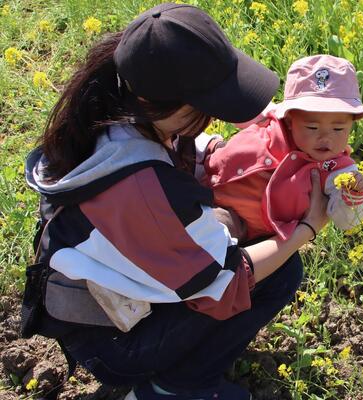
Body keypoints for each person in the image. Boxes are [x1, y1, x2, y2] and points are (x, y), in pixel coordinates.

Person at [21, 3, 329, 400]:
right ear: (167, 105)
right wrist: (307, 229)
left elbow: (184, 150)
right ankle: (174, 388)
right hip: (114, 344)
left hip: (104, 300)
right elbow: (231, 280)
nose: (217, 116)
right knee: (282, 271)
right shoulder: (146, 192)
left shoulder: (115, 106)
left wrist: (230, 151)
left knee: (248, 243)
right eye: (209, 106)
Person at [196, 55, 363, 242]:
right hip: (202, 170)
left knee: (206, 231)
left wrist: (353, 196)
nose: (325, 137)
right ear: (289, 119)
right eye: (312, 127)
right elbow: (237, 106)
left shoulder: (337, 170)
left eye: (338, 129)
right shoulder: (271, 118)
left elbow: (346, 222)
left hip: (238, 219)